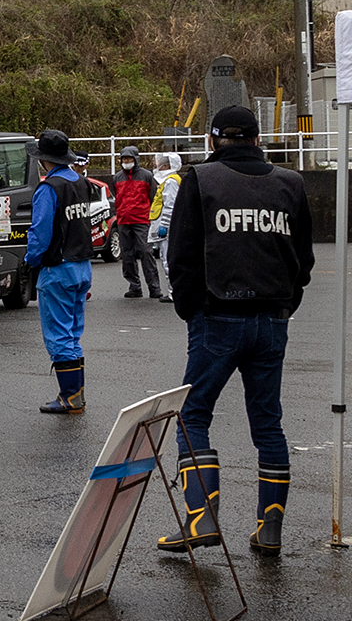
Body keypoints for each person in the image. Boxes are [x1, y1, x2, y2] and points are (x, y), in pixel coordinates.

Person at [157, 106, 313, 558]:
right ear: (258, 139)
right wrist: (285, 304)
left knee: (193, 415)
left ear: (212, 140)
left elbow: (181, 255)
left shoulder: (200, 180)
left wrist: (191, 310)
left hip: (217, 315)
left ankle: (201, 517)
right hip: (272, 319)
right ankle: (269, 530)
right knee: (267, 422)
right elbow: (303, 260)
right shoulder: (291, 183)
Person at [26, 129, 94, 414]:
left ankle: (70, 397)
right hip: (82, 266)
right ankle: (76, 394)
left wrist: (31, 259)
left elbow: (40, 233)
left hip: (57, 268)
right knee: (73, 334)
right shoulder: (80, 181)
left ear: (44, 159)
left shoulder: (49, 189)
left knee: (58, 335)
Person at [111, 144, 161, 299]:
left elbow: (153, 197)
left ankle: (154, 287)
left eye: (129, 158)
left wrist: (153, 218)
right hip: (123, 220)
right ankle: (134, 286)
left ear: (135, 159)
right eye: (124, 159)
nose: (126, 161)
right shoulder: (117, 178)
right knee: (127, 255)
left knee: (146, 252)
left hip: (142, 220)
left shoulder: (146, 176)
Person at [148, 153, 183, 302]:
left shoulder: (170, 182)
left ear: (168, 165)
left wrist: (164, 225)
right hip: (167, 227)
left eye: (162, 162)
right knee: (166, 259)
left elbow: (170, 206)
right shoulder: (168, 181)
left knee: (168, 260)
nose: (157, 165)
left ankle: (173, 292)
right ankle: (173, 291)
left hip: (167, 229)